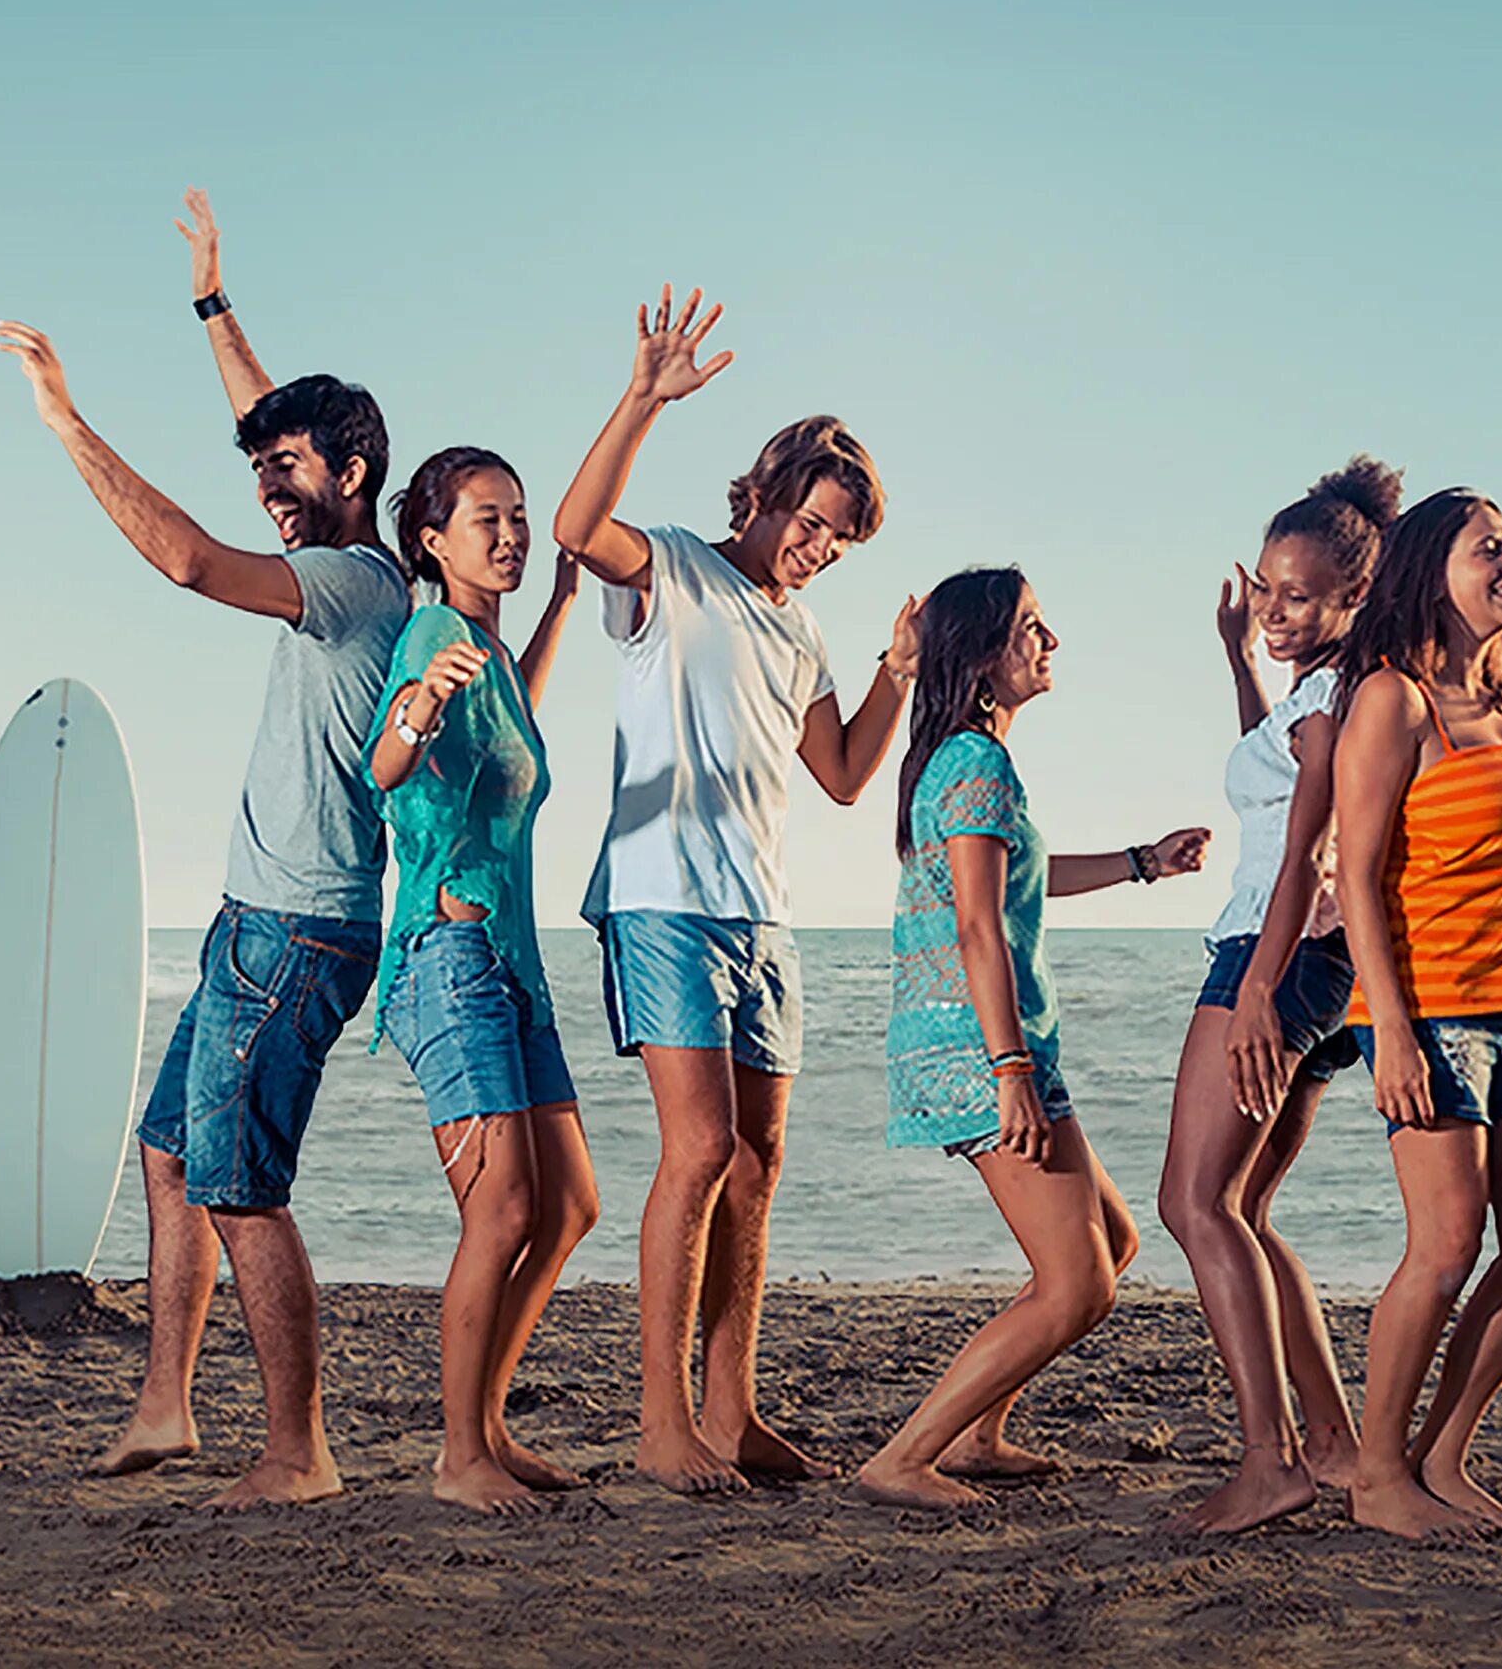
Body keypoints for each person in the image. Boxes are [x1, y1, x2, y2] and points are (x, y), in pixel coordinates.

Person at [0, 196, 407, 1507]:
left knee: (241, 1186)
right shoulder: (338, 537)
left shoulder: (352, 586)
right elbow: (276, 418)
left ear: (349, 473)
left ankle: (300, 1455)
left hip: (299, 930)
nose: (266, 489)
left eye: (285, 470)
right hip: (257, 918)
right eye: (259, 472)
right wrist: (212, 301)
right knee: (173, 1150)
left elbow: (183, 562)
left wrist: (66, 424)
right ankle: (169, 1408)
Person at [551, 286, 923, 1494]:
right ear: (767, 492)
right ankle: (662, 1421)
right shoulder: (671, 568)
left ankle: (731, 1410)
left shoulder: (804, 629)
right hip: (662, 895)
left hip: (763, 913)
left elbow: (849, 775)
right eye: (812, 523)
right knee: (698, 1147)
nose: (817, 549)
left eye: (838, 542)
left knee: (759, 1161)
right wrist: (643, 398)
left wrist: (897, 671)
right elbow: (574, 521)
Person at [855, 568, 1211, 1509]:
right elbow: (977, 928)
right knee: (1074, 1288)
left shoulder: (970, 762)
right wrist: (1008, 1067)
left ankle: (978, 1434)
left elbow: (1020, 883)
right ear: (978, 657)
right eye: (1031, 628)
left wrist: (1143, 863)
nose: (1050, 642)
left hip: (1003, 1045)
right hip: (980, 1048)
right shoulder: (972, 760)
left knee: (1116, 1242)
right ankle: (902, 1458)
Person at [1331, 358, 1502, 1539]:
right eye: (1482, 548)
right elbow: (1352, 872)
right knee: (1446, 1246)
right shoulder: (1394, 701)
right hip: (1430, 1008)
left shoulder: (1499, 684)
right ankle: (1377, 1472)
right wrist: (1388, 1027)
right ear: (1430, 578)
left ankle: (1444, 1455)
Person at [1155, 457, 1401, 1533]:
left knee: (1190, 1202)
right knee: (1244, 1207)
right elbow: (1279, 752)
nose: (1272, 608)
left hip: (1277, 950)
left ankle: (1271, 1459)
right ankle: (1335, 1444)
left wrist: (1257, 990)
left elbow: (1309, 841)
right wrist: (1231, 652)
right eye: (1264, 587)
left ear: (1354, 597)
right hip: (1317, 959)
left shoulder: (1335, 698)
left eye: (1298, 595)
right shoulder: (1322, 692)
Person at [364, 447, 602, 1513]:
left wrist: (556, 602)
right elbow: (386, 764)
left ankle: (490, 1422)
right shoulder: (433, 638)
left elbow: (515, 723)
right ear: (432, 539)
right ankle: (459, 1452)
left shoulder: (488, 655)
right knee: (503, 1211)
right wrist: (415, 703)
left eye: (517, 516)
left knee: (571, 1206)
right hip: (447, 956)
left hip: (511, 965)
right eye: (485, 520)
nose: (507, 534)